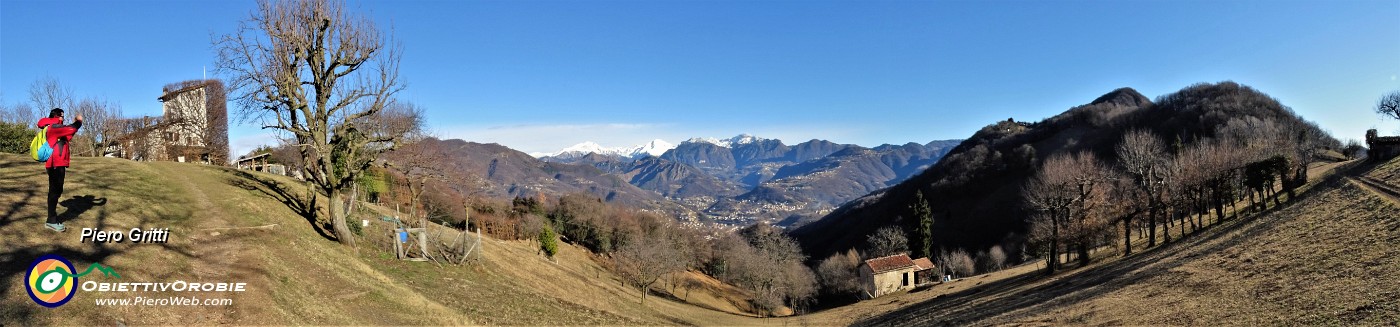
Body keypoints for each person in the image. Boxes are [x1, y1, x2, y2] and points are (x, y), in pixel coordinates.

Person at [36, 108, 82, 232]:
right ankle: (51, 220)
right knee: (54, 191)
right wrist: (78, 122)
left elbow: (69, 133)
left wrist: (74, 126)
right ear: (56, 116)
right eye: (61, 116)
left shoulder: (57, 128)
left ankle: (51, 219)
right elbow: (71, 128)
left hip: (59, 164)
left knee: (57, 190)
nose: (63, 118)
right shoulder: (53, 127)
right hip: (55, 164)